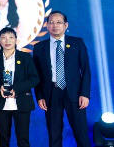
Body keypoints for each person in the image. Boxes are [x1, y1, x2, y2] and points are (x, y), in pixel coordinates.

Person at [34, 10, 92, 147]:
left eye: (59, 22)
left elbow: (85, 70)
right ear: (47, 26)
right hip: (51, 94)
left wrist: (84, 94)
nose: (55, 25)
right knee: (54, 135)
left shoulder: (77, 43)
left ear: (66, 25)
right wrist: (40, 96)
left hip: (75, 93)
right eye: (51, 22)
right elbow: (37, 75)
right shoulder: (39, 47)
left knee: (81, 134)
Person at [0, 26, 38, 147]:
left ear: (16, 39)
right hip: (1, 102)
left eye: (11, 37)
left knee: (23, 139)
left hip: (22, 102)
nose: (7, 41)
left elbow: (34, 78)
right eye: (3, 38)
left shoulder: (25, 57)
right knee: (3, 139)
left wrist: (17, 89)